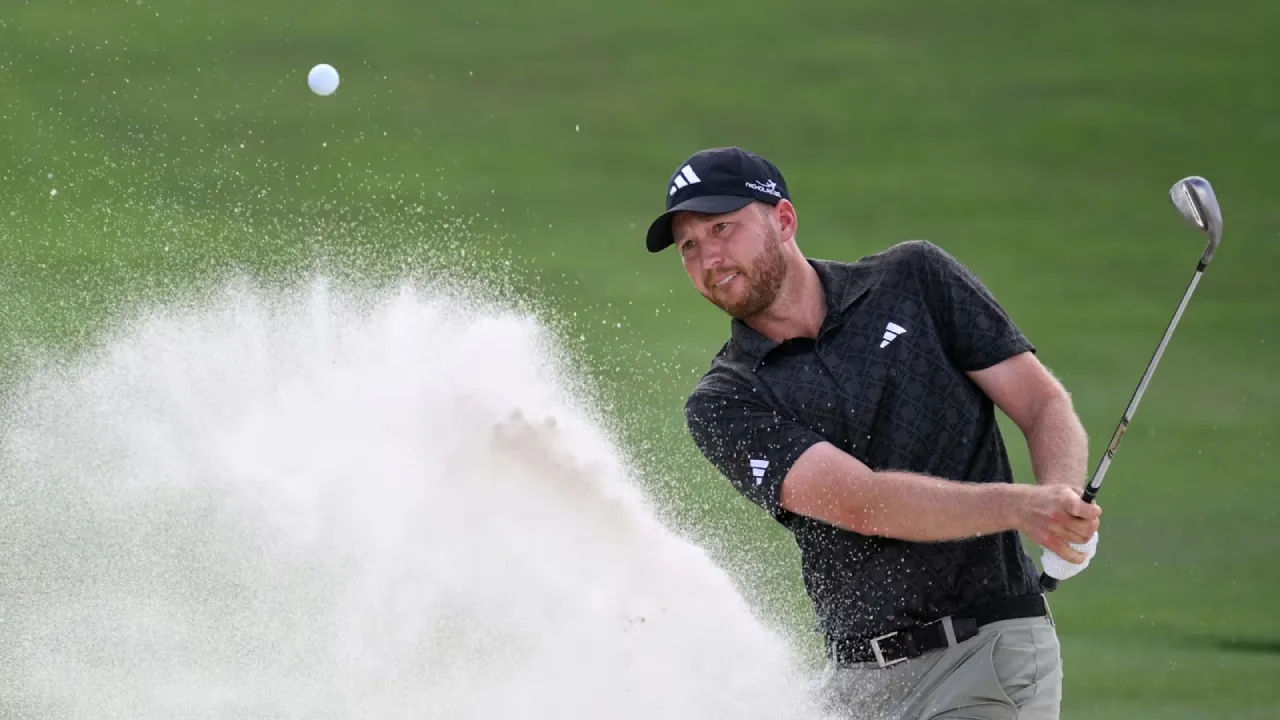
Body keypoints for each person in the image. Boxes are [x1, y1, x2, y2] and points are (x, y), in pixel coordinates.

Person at [644, 146, 1102, 719]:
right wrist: (1021, 506)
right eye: (689, 246)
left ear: (783, 220)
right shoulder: (725, 400)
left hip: (986, 655)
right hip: (857, 689)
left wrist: (1061, 506)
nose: (709, 257)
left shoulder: (913, 279)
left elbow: (1040, 402)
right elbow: (862, 503)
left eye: (722, 228)